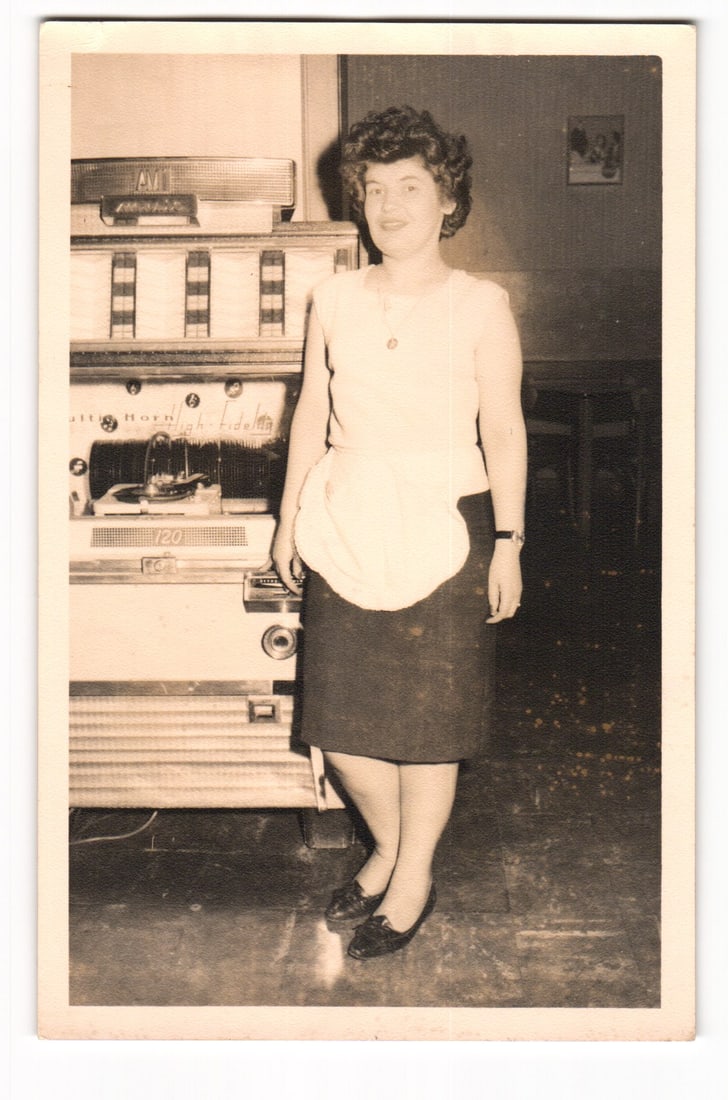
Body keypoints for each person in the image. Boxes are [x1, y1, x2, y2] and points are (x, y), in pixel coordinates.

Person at [272, 105, 526, 960]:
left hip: (448, 519)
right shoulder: (333, 296)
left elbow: (507, 431)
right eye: (375, 188)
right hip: (346, 512)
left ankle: (409, 874)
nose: (389, 205)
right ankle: (387, 846)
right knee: (338, 725)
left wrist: (512, 543)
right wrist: (287, 517)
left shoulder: (481, 304)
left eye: (409, 186)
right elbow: (311, 409)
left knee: (431, 725)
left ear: (446, 197)